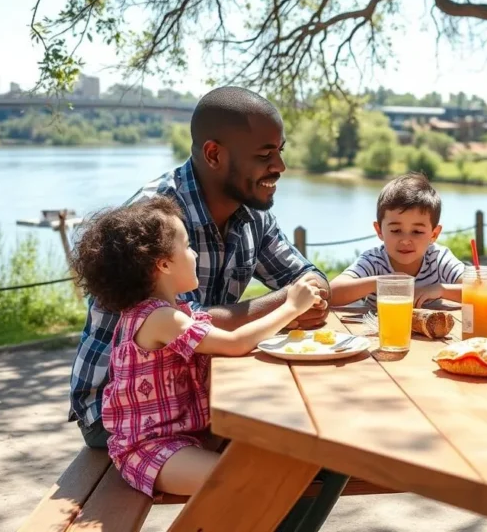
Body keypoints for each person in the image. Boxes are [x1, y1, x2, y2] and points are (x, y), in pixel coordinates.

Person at [70, 86, 330, 448]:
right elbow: (188, 327)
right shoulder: (156, 222)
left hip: (191, 393)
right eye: (265, 154)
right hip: (120, 412)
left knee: (321, 422)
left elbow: (309, 276)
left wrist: (308, 294)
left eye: (280, 151)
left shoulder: (251, 211)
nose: (280, 167)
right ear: (213, 155)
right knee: (294, 442)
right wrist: (289, 306)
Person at [71, 196, 323, 497]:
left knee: (278, 466)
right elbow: (234, 343)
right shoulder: (159, 318)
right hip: (152, 449)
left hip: (184, 436)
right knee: (244, 484)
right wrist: (291, 307)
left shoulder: (176, 311)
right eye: (188, 246)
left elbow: (230, 335)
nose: (194, 254)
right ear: (164, 264)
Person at [330, 173, 466, 307]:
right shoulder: (374, 260)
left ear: (434, 234)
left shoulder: (439, 258)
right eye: (396, 231)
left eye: (417, 232)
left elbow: (481, 290)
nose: (406, 240)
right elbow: (330, 293)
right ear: (379, 230)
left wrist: (441, 290)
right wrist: (380, 282)